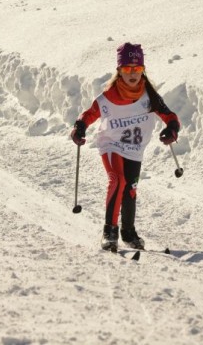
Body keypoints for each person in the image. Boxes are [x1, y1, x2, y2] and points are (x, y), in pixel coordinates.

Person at [70, 43, 180, 251]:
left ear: (143, 70)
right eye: (127, 68)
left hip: (135, 149)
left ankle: (128, 232)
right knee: (117, 180)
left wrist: (171, 128)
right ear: (119, 70)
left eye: (137, 69)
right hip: (111, 145)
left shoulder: (150, 96)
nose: (132, 73)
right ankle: (109, 232)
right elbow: (89, 114)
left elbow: (170, 115)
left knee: (130, 189)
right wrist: (80, 127)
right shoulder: (109, 97)